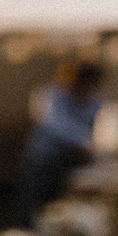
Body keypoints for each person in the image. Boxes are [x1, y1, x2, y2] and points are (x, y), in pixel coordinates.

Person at [16, 60, 104, 224]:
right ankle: (30, 230)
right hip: (46, 158)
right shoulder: (50, 96)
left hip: (73, 160)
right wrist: (86, 143)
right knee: (38, 198)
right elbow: (56, 125)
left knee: (64, 199)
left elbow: (101, 122)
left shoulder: (94, 101)